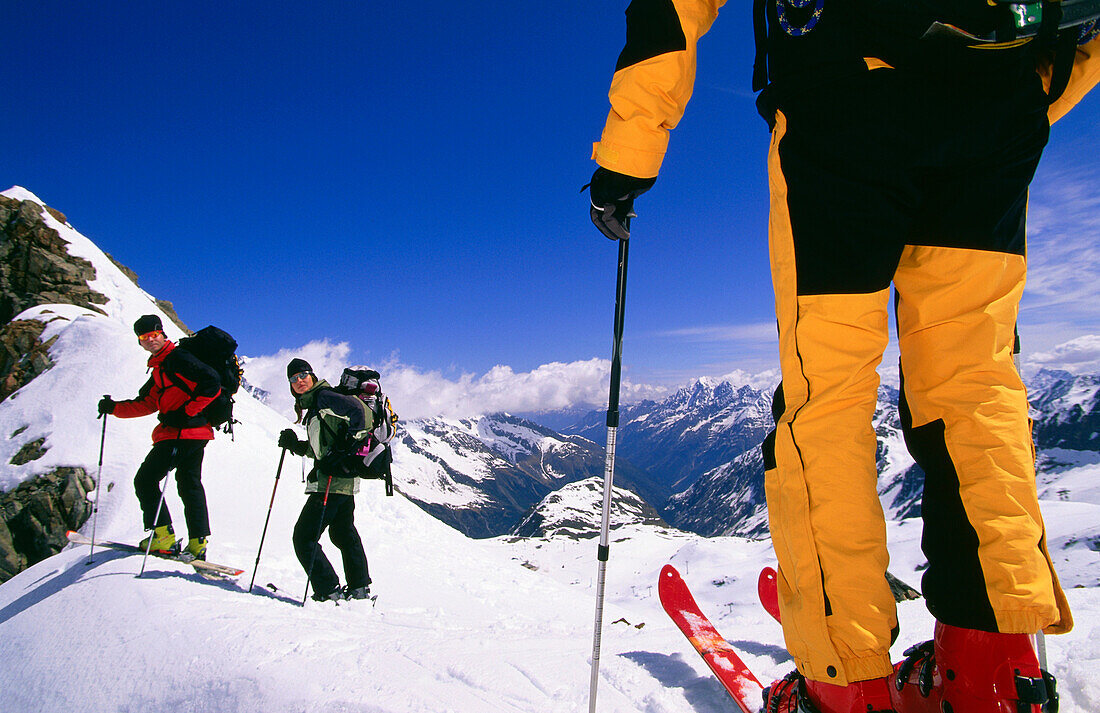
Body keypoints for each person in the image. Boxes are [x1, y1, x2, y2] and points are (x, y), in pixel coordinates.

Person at [587, 4, 1100, 712]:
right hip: (997, 99)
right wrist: (1032, 85)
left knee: (827, 395)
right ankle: (989, 669)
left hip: (844, 104)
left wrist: (628, 151)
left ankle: (847, 683)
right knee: (974, 384)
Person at [97, 314, 221, 560]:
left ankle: (163, 537)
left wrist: (185, 413)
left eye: (154, 335)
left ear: (163, 334)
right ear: (140, 342)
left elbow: (212, 383)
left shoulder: (177, 358)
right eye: (145, 337)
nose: (150, 340)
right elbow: (147, 403)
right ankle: (198, 543)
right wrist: (114, 409)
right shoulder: (160, 368)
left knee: (145, 480)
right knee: (189, 484)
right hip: (194, 433)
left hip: (181, 433)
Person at [277, 358, 373, 603]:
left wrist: (346, 448)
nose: (299, 381)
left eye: (303, 375)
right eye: (293, 379)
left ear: (312, 375)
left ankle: (328, 590)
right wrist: (296, 446)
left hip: (331, 481)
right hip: (342, 480)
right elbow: (320, 448)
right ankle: (359, 589)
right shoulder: (315, 405)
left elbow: (362, 414)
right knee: (343, 533)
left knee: (304, 537)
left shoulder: (324, 397)